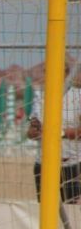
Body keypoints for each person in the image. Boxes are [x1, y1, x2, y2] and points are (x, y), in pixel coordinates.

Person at [27, 65, 81, 203]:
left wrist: (58, 133)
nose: (48, 75)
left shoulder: (78, 96)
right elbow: (31, 131)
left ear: (67, 74)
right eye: (47, 72)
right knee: (43, 208)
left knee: (72, 211)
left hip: (71, 164)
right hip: (43, 163)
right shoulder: (40, 96)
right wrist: (34, 131)